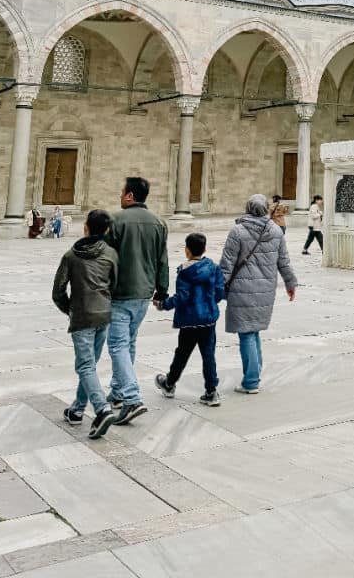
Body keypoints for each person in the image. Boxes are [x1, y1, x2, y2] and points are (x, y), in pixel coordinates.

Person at [106, 175, 169, 424]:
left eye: (122, 192)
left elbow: (104, 258)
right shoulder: (159, 223)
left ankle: (131, 398)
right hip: (144, 294)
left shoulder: (116, 220)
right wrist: (162, 290)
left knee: (118, 345)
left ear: (130, 196)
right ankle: (119, 391)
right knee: (128, 343)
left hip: (120, 293)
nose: (120, 196)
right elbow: (162, 259)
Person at [51, 208, 118, 439]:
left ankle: (101, 409)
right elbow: (115, 285)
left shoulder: (71, 256)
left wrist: (70, 309)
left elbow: (58, 291)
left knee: (85, 366)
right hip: (104, 315)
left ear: (85, 227)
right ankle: (77, 410)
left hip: (82, 316)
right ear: (107, 230)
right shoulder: (110, 254)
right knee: (89, 365)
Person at [220, 193, 297, 393]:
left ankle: (251, 381)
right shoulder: (276, 231)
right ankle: (255, 373)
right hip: (265, 289)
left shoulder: (237, 231)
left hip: (242, 290)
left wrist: (216, 288)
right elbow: (284, 262)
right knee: (253, 332)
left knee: (246, 333)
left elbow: (226, 265)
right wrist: (290, 283)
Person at [154, 232, 225, 407]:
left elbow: (182, 297)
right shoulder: (213, 268)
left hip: (189, 320)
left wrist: (164, 304)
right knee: (208, 355)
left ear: (187, 251)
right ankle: (211, 391)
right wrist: (209, 303)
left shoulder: (185, 272)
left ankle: (169, 383)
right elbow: (220, 292)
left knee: (182, 354)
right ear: (205, 249)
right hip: (208, 319)